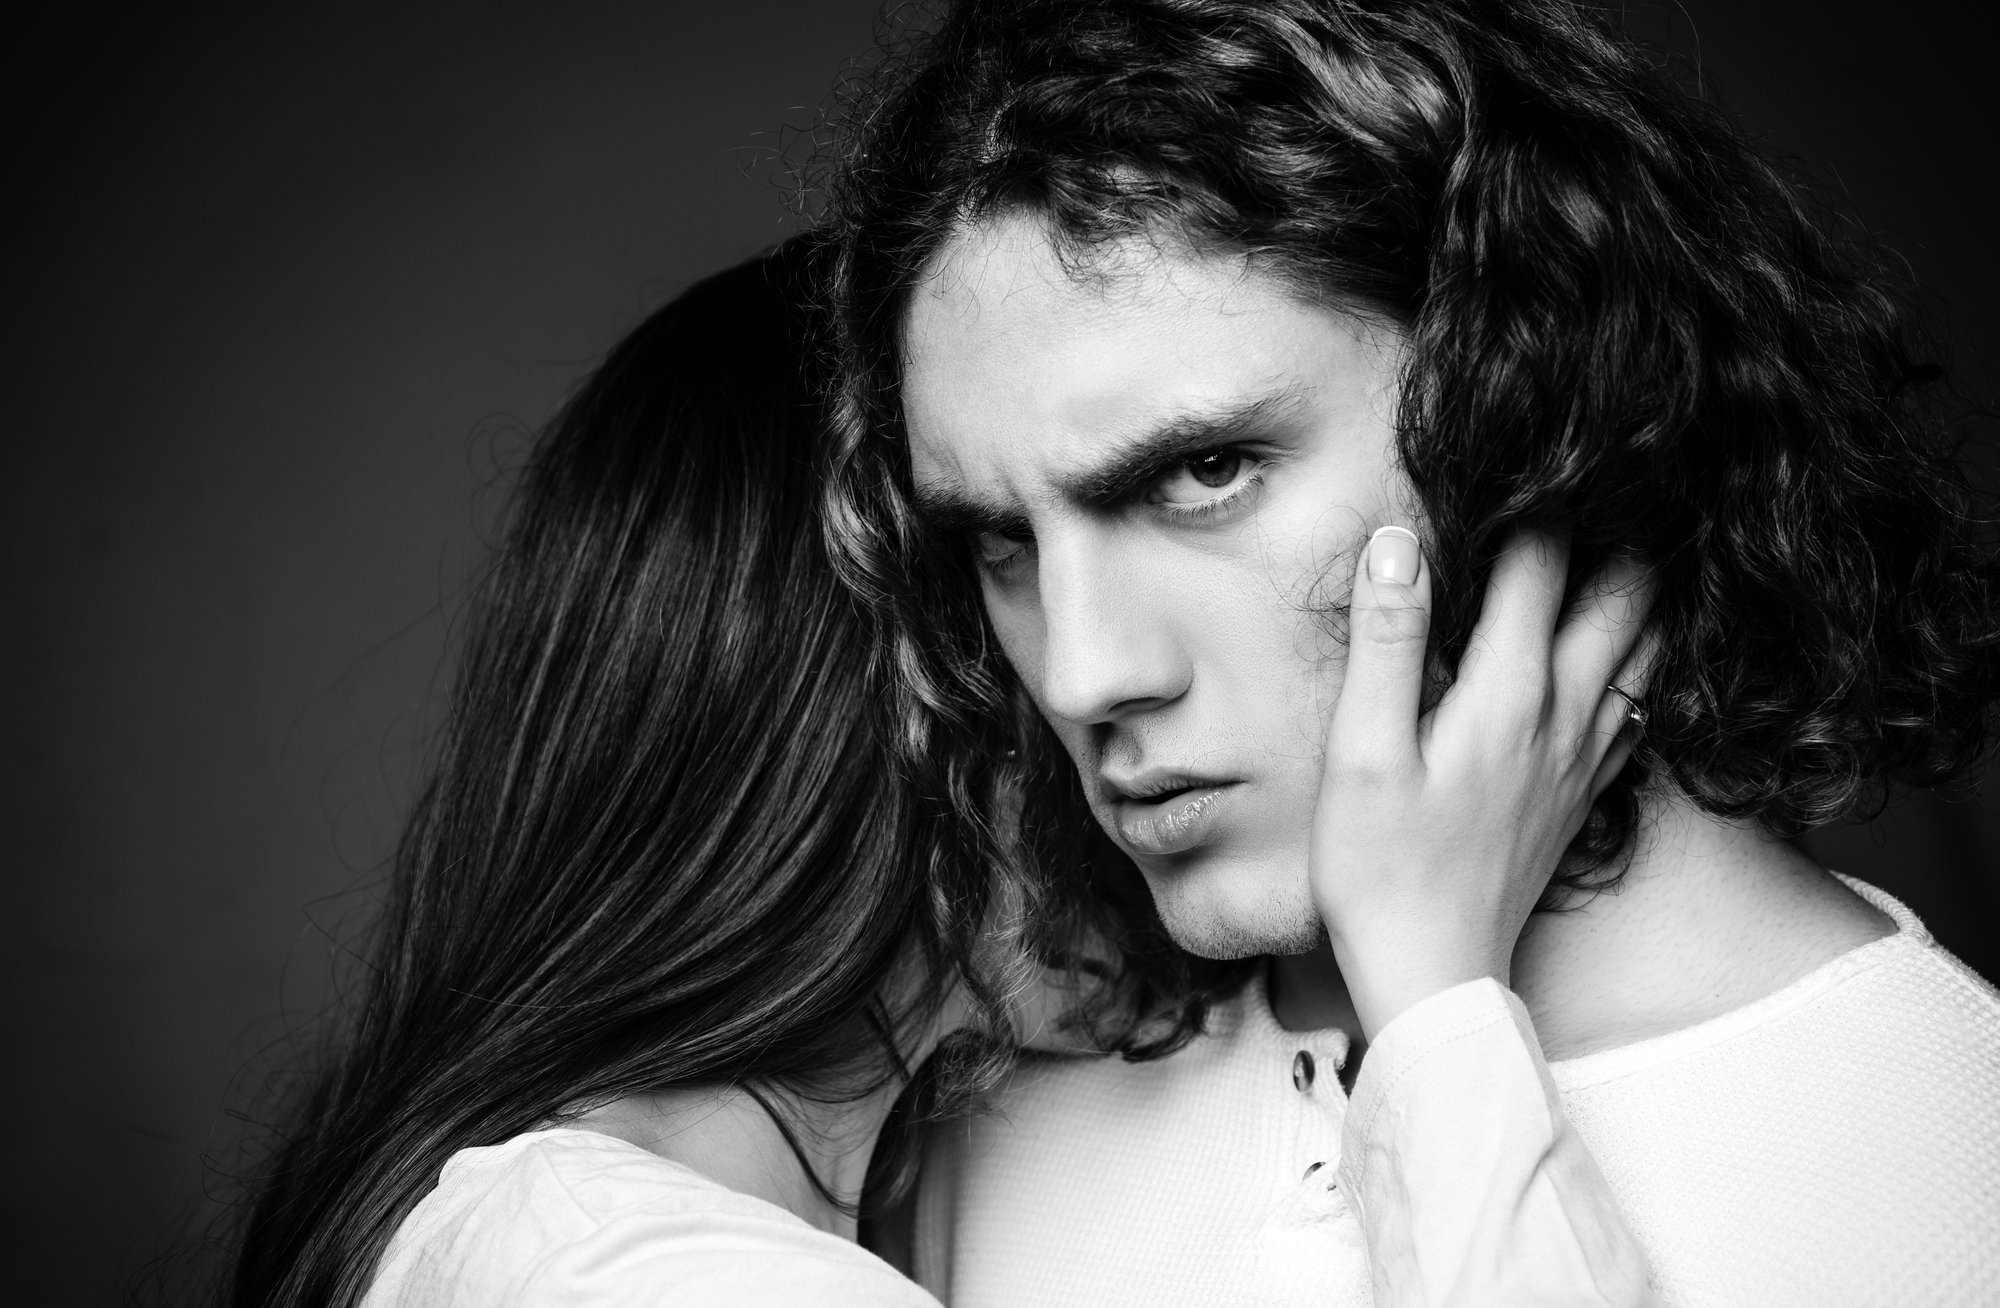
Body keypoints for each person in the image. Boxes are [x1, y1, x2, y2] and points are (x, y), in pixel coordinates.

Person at [819, 0, 2000, 1304]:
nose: (1085, 671)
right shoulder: (976, 1167)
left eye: (1204, 472)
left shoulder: (1955, 1161)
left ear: (1538, 407)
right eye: (1000, 541)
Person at [228, 237, 1660, 1308]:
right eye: (1004, 559)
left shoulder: (572, 1222)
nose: (1098, 683)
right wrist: (1438, 998)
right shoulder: (645, 1276)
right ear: (868, 730)